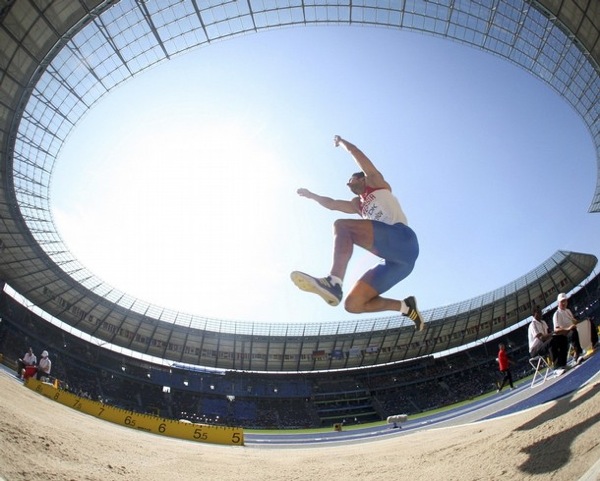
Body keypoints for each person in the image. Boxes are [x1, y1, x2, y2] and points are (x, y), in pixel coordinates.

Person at [290, 135, 424, 330]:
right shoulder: (358, 206)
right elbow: (332, 204)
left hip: (403, 240)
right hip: (396, 263)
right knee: (353, 305)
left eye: (350, 180)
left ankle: (333, 281)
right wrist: (312, 196)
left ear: (361, 178)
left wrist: (342, 142)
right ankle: (405, 307)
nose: (348, 184)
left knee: (342, 226)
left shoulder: (376, 182)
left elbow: (357, 153)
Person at [553, 293, 585, 367]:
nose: (564, 303)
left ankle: (593, 342)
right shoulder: (557, 314)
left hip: (572, 329)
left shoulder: (568, 311)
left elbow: (574, 321)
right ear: (558, 303)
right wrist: (568, 328)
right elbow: (556, 329)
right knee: (573, 332)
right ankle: (577, 355)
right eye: (562, 301)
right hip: (564, 334)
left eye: (565, 301)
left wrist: (580, 322)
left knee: (587, 322)